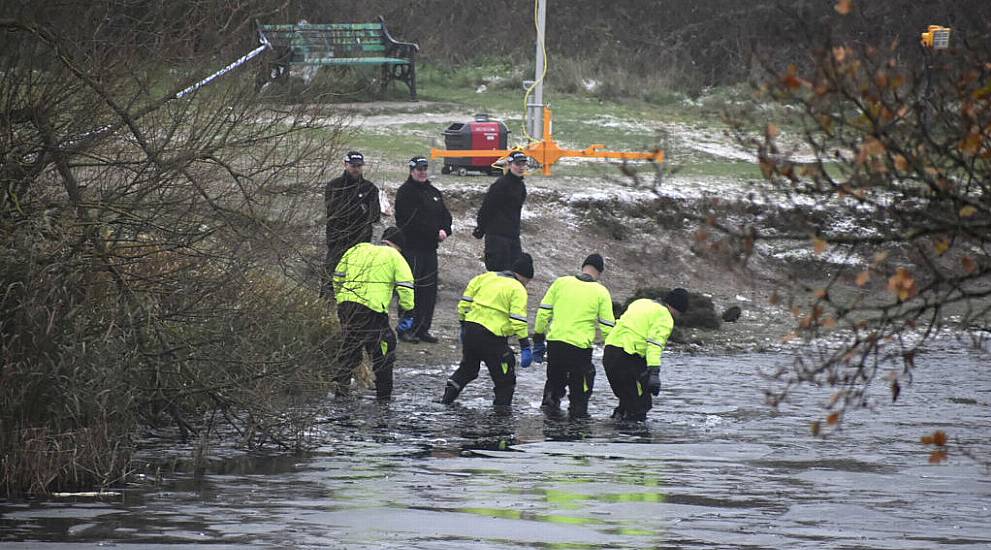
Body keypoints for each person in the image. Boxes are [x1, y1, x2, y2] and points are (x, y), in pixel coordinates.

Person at [439, 254, 535, 408]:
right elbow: (518, 319)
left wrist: (463, 325)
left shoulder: (484, 277)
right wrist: (524, 345)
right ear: (524, 278)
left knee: (468, 369)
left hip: (471, 330)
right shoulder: (517, 288)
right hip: (492, 338)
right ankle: (500, 420)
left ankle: (445, 401)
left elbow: (464, 304)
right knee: (505, 380)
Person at [332, 227, 415, 400]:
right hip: (371, 310)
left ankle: (340, 392)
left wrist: (341, 297)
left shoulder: (357, 249)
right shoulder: (395, 257)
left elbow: (338, 276)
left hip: (346, 306)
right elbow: (406, 286)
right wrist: (407, 308)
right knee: (384, 348)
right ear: (398, 246)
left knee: (350, 347)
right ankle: (383, 398)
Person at [532, 253, 615, 419]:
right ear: (599, 272)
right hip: (579, 349)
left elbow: (543, 313)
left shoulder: (561, 282)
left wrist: (539, 337)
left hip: (555, 343)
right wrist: (613, 347)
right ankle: (576, 433)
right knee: (580, 396)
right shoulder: (601, 292)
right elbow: (607, 327)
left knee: (554, 387)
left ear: (583, 267)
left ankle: (549, 427)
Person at [603, 288, 689, 422]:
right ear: (677, 309)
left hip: (609, 353)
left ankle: (616, 430)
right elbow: (654, 344)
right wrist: (654, 373)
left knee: (627, 400)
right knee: (640, 407)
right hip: (627, 356)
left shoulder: (641, 303)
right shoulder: (665, 317)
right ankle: (635, 439)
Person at [394, 156, 453, 344]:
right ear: (411, 170)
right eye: (419, 169)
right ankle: (406, 328)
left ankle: (422, 328)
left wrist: (445, 229)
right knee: (410, 290)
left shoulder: (433, 192)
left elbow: (446, 216)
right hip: (412, 248)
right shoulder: (405, 192)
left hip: (430, 250)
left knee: (428, 292)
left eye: (425, 168)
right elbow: (409, 222)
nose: (422, 172)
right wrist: (434, 232)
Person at [323, 151, 381, 296]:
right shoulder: (334, 186)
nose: (356, 169)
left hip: (360, 242)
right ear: (345, 165)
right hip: (338, 240)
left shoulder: (370, 188)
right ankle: (324, 308)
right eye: (353, 165)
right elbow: (335, 212)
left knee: (357, 279)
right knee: (330, 277)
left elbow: (374, 215)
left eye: (359, 166)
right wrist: (360, 209)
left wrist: (359, 212)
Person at [472, 150, 528, 271]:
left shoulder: (521, 186)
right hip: (497, 237)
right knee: (497, 273)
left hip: (513, 236)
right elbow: (486, 208)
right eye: (517, 164)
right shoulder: (501, 185)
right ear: (509, 165)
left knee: (514, 273)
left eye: (523, 164)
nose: (521, 167)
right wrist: (480, 228)